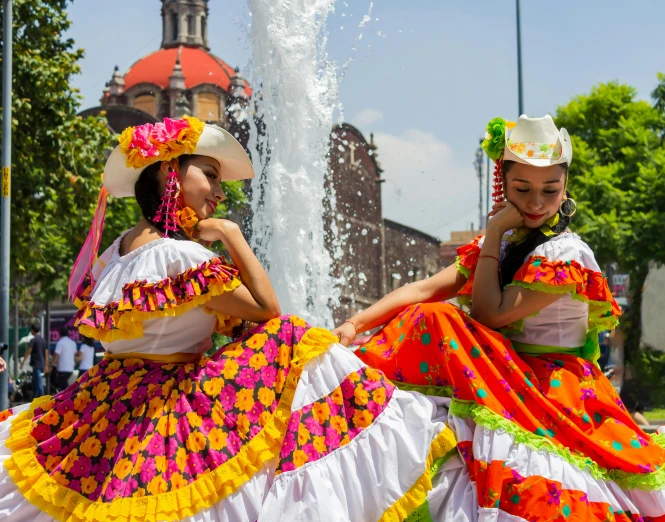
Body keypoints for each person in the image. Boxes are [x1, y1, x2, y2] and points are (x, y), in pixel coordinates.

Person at [0, 116, 452, 521]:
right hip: (167, 403)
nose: (219, 192)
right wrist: (232, 235)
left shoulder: (115, 252)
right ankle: (404, 427)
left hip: (107, 401)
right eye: (210, 176)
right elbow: (268, 311)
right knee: (292, 338)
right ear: (168, 170)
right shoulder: (181, 255)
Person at [334, 114, 665, 521]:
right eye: (522, 190)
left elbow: (490, 314)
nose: (536, 203)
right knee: (430, 320)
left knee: (442, 326)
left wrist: (493, 230)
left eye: (550, 190)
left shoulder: (563, 253)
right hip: (509, 376)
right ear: (503, 185)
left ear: (565, 187)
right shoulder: (505, 247)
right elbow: (424, 288)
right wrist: (355, 324)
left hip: (559, 388)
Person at [19, 320, 47, 398]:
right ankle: (35, 398)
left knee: (38, 384)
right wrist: (46, 365)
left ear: (32, 330)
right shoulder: (43, 340)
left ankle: (42, 399)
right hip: (41, 364)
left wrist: (22, 362)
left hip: (36, 364)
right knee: (35, 382)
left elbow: (28, 351)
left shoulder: (33, 340)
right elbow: (46, 353)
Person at [49, 326, 78, 392]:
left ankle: (65, 399)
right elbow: (74, 355)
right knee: (64, 384)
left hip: (62, 368)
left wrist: (51, 365)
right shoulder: (73, 343)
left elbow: (56, 355)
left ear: (60, 334)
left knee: (63, 387)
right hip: (70, 368)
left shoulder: (60, 343)